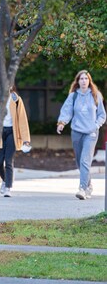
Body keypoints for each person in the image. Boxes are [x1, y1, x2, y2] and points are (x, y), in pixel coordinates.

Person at [56, 70, 105, 200]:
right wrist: (62, 123)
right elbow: (67, 111)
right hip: (76, 132)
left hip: (91, 133)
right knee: (79, 161)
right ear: (77, 81)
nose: (83, 81)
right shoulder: (73, 96)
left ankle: (82, 189)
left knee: (85, 160)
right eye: (81, 79)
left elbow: (102, 115)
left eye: (86, 79)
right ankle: (89, 186)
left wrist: (96, 126)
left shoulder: (96, 95)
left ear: (89, 81)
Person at [0, 85, 31, 198]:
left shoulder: (16, 99)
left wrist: (26, 139)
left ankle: (8, 187)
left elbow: (22, 119)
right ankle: (5, 180)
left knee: (8, 160)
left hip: (12, 132)